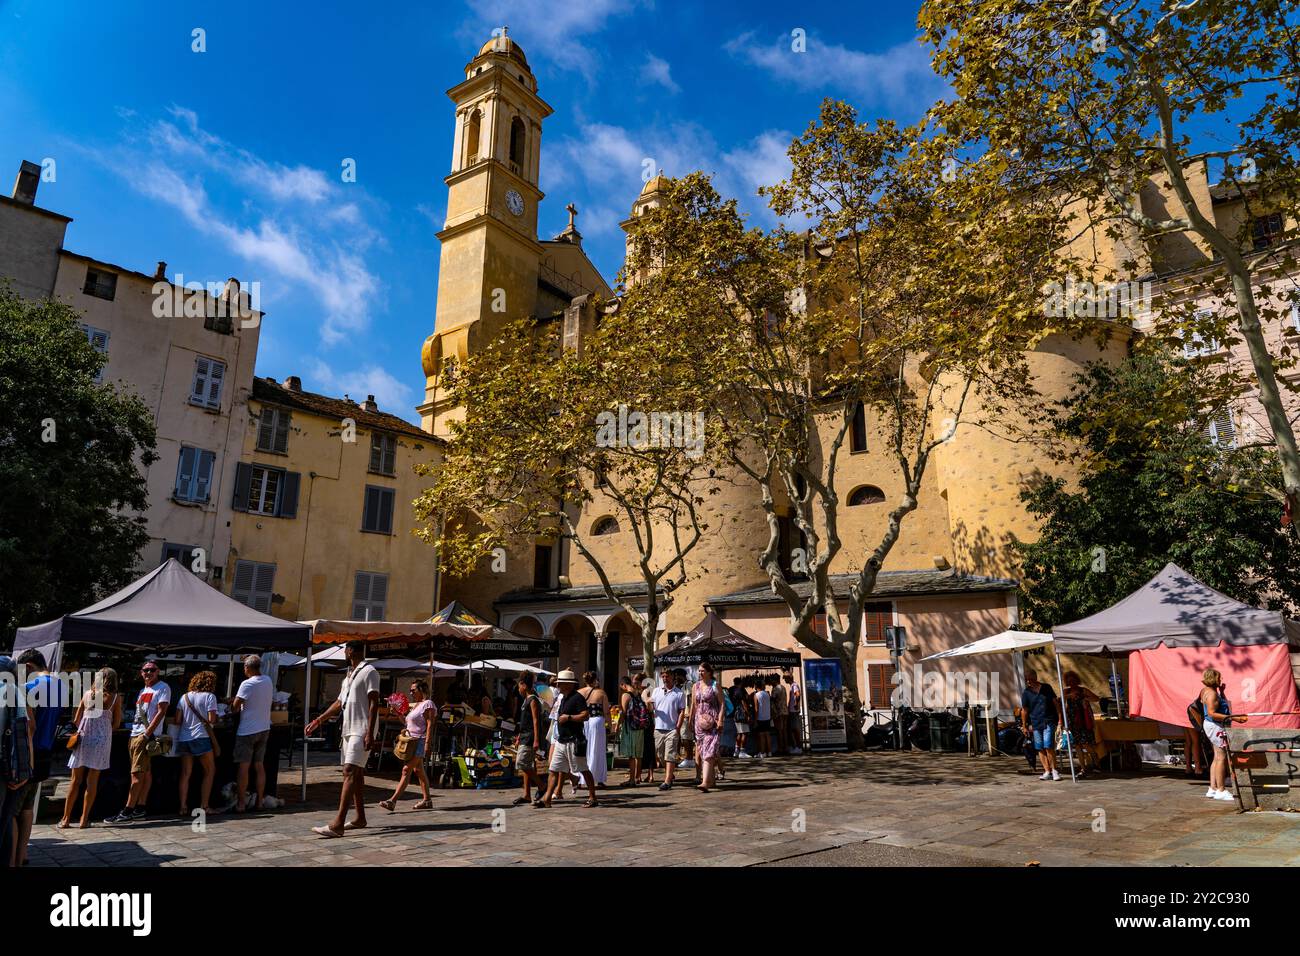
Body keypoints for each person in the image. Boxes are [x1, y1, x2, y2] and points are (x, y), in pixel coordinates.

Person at [305, 641, 379, 837]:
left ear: (351, 651)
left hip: (362, 728)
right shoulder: (348, 676)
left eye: (346, 649)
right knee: (357, 774)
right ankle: (360, 817)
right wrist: (319, 720)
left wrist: (370, 732)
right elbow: (339, 702)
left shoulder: (369, 671)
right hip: (348, 728)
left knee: (349, 771)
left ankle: (337, 824)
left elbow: (374, 703)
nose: (344, 652)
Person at [105, 660, 171, 823]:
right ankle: (140, 807)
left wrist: (147, 734)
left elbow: (162, 711)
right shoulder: (143, 690)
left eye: (152, 670)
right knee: (145, 772)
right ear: (141, 672)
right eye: (145, 670)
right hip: (135, 733)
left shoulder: (162, 687)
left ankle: (128, 809)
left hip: (144, 734)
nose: (148, 673)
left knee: (136, 774)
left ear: (158, 671)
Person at [16, 650, 62, 866]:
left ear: (28, 667)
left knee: (13, 811)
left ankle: (13, 857)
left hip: (27, 754)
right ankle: (23, 853)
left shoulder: (30, 687)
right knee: (27, 809)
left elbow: (28, 725)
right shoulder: (60, 684)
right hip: (45, 751)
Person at [60, 668, 121, 830]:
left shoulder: (87, 694)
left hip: (84, 738)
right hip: (102, 742)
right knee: (92, 782)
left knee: (75, 781)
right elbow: (116, 723)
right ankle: (83, 819)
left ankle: (65, 819)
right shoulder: (115, 698)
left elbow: (76, 719)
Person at [537, 670, 598, 808]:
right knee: (553, 769)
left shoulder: (577, 698)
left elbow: (585, 715)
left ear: (568, 684)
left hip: (573, 740)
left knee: (583, 769)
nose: (558, 685)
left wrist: (569, 717)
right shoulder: (563, 697)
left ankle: (593, 797)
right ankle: (547, 798)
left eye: (561, 683)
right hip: (561, 740)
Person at [379, 679, 435, 812]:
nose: (410, 693)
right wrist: (398, 713)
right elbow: (407, 722)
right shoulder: (416, 705)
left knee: (406, 770)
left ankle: (392, 801)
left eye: (413, 690)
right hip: (411, 741)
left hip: (420, 741)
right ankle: (427, 800)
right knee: (418, 771)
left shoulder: (428, 704)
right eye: (410, 690)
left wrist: (427, 743)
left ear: (421, 690)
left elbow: (430, 724)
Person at [0, 655, 33, 868]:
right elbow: (26, 733)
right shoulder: (16, 693)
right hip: (8, 769)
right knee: (4, 826)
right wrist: (25, 771)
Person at [173, 670, 220, 817]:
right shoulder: (210, 697)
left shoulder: (184, 697)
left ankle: (182, 807)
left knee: (185, 773)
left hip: (184, 738)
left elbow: (177, 720)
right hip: (201, 736)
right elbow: (212, 719)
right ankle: (204, 806)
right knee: (209, 771)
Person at [231, 654, 274, 813]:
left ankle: (241, 803)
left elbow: (235, 707)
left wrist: (232, 703)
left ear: (248, 668)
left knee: (244, 767)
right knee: (259, 766)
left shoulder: (246, 684)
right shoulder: (268, 680)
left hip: (247, 730)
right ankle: (260, 802)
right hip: (264, 727)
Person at [1199, 668, 1248, 801]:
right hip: (1215, 725)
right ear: (1214, 678)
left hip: (1211, 725)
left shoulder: (1206, 691)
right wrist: (1234, 718)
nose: (1221, 680)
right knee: (1221, 757)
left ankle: (1213, 788)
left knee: (1216, 757)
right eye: (1219, 678)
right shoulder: (1212, 694)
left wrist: (1222, 692)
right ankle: (1221, 789)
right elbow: (1212, 713)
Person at [1020, 669, 1063, 781]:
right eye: (1027, 680)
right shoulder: (1026, 692)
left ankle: (1054, 770)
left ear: (1035, 677)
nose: (1029, 682)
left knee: (1048, 745)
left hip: (1049, 720)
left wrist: (1060, 719)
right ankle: (1047, 771)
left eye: (1030, 679)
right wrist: (1024, 726)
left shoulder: (1046, 688)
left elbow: (1055, 703)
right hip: (1036, 722)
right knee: (1039, 747)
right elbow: (1024, 710)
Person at [513, 673, 545, 805]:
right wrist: (519, 736)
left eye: (519, 686)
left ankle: (542, 786)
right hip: (524, 735)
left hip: (530, 737)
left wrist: (537, 739)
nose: (518, 689)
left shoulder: (533, 700)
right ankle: (527, 794)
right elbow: (525, 721)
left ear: (524, 685)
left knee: (521, 763)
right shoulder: (526, 700)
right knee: (527, 764)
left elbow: (536, 721)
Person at [690, 663, 724, 792]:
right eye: (699, 671)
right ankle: (712, 781)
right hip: (699, 722)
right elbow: (694, 704)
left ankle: (705, 782)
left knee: (709, 750)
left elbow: (722, 705)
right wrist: (691, 721)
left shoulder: (715, 685)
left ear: (709, 672)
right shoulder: (695, 686)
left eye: (702, 671)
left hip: (712, 722)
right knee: (702, 751)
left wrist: (720, 720)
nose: (700, 673)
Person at [651, 669, 686, 791]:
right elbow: (652, 707)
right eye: (663, 676)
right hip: (658, 728)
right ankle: (670, 774)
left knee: (670, 755)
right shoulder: (656, 691)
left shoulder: (679, 693)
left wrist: (678, 727)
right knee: (660, 756)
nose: (665, 678)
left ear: (672, 677)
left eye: (667, 676)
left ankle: (667, 781)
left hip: (672, 729)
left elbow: (682, 711)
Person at [1061, 671, 1099, 775]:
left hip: (1084, 720)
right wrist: (1069, 696)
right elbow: (1059, 700)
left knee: (1086, 744)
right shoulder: (1066, 691)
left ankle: (1095, 762)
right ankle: (1083, 768)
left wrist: (1086, 698)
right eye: (1069, 680)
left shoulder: (1083, 690)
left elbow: (1096, 698)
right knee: (1077, 745)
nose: (1071, 682)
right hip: (1072, 721)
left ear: (1077, 680)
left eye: (1073, 680)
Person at [580, 671, 609, 787]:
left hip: (583, 721)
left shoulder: (579, 692)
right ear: (595, 680)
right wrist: (610, 726)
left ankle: (580, 779)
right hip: (596, 721)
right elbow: (606, 711)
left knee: (583, 750)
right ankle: (599, 779)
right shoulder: (601, 693)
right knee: (598, 750)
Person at [617, 674, 647, 786]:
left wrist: (618, 725)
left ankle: (631, 780)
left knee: (631, 755)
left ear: (623, 685)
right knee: (638, 754)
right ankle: (638, 777)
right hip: (640, 726)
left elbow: (623, 713)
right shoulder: (637, 693)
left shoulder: (626, 695)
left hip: (630, 726)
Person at [640, 677, 658, 783]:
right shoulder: (655, 692)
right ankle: (650, 775)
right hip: (652, 722)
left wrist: (647, 701)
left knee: (645, 749)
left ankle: (645, 775)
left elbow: (649, 708)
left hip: (645, 723)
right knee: (651, 749)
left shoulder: (645, 693)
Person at [731, 677, 752, 758]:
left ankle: (736, 751)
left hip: (735, 713)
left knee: (739, 732)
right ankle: (742, 751)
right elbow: (744, 703)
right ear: (741, 682)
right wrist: (748, 714)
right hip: (741, 714)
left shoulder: (732, 690)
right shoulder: (740, 690)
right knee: (744, 733)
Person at [784, 671, 803, 755]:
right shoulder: (792, 686)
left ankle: (798, 747)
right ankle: (795, 746)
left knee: (795, 729)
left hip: (793, 711)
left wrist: (795, 704)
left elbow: (798, 695)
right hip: (792, 710)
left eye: (785, 678)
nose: (784, 680)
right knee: (792, 729)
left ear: (789, 678)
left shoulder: (794, 685)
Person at [753, 676, 772, 759]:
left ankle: (762, 752)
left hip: (760, 717)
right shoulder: (767, 694)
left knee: (761, 736)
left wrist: (755, 719)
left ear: (756, 686)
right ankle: (769, 752)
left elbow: (756, 708)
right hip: (767, 716)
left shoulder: (756, 695)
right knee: (767, 735)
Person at [770, 674, 788, 755]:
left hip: (779, 712)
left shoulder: (776, 689)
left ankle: (781, 749)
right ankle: (785, 748)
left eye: (771, 680)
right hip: (785, 711)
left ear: (775, 680)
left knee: (780, 731)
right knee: (784, 730)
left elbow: (772, 699)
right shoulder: (783, 687)